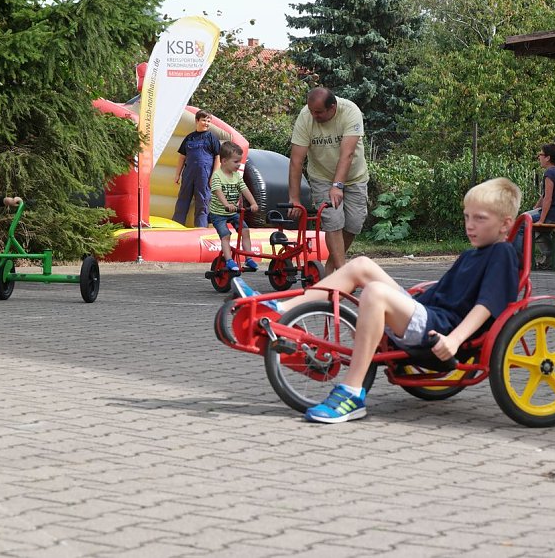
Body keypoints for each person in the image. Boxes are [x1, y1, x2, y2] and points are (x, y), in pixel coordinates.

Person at [232, 177, 522, 424]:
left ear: (505, 224)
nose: (470, 225)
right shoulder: (474, 253)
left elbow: (488, 304)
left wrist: (455, 341)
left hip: (439, 329)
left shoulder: (502, 254)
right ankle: (279, 310)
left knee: (375, 293)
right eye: (467, 216)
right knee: (361, 265)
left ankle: (352, 393)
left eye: (480, 219)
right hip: (425, 312)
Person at [288, 87, 369, 275]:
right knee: (333, 220)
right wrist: (294, 197)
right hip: (322, 177)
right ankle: (342, 274)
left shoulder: (350, 112)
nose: (314, 115)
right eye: (311, 111)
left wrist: (338, 185)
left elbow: (347, 154)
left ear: (332, 108)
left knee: (354, 224)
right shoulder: (306, 116)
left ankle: (331, 266)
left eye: (318, 112)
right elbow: (296, 160)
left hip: (355, 177)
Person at [209, 141, 260, 272]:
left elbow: (245, 189)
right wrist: (226, 204)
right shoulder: (217, 176)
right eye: (236, 162)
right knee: (225, 235)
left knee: (245, 231)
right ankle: (229, 260)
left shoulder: (237, 176)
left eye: (240, 162)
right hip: (218, 213)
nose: (239, 165)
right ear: (224, 161)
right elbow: (218, 192)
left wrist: (253, 203)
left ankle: (248, 258)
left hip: (233, 212)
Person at [173, 110, 221, 227]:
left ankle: (200, 229)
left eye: (209, 121)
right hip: (188, 174)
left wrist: (214, 176)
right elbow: (182, 157)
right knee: (182, 201)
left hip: (204, 176)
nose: (206, 123)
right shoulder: (189, 138)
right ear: (197, 121)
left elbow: (218, 158)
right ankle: (176, 227)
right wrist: (177, 174)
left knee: (202, 202)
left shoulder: (212, 138)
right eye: (204, 120)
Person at [531, 143, 555, 268]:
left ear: (548, 158)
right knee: (531, 222)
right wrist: (535, 208)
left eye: (541, 155)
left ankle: (518, 258)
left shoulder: (550, 174)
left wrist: (541, 220)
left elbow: (548, 198)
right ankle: (550, 258)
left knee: (522, 223)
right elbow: (543, 196)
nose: (539, 157)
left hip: (554, 214)